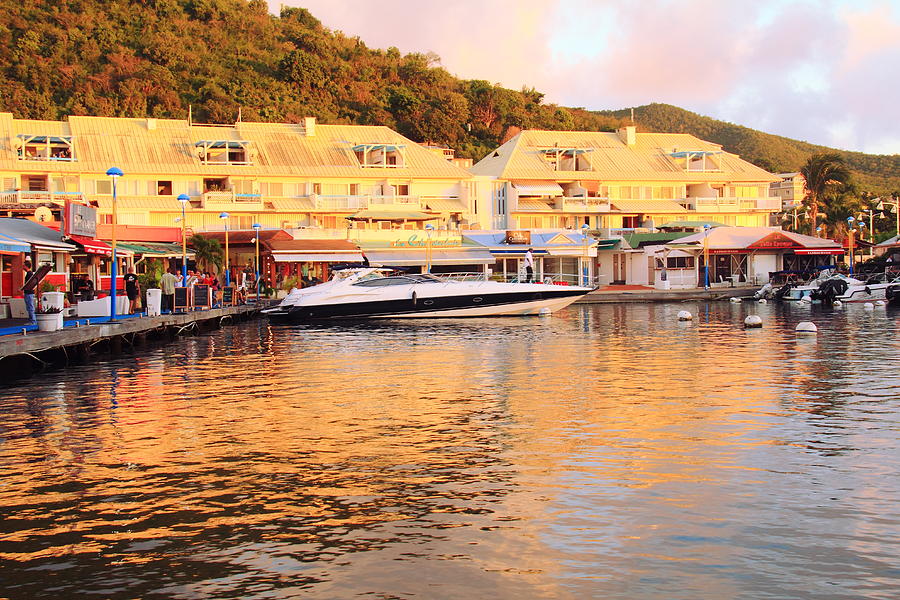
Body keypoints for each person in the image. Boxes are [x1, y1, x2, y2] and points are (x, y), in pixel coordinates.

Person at [21, 259, 37, 325]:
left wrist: (22, 288)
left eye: (23, 266)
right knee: (29, 306)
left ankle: (33, 320)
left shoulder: (29, 274)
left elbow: (29, 283)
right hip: (29, 292)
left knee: (30, 306)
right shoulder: (29, 274)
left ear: (26, 266)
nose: (22, 267)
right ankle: (32, 320)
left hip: (29, 292)